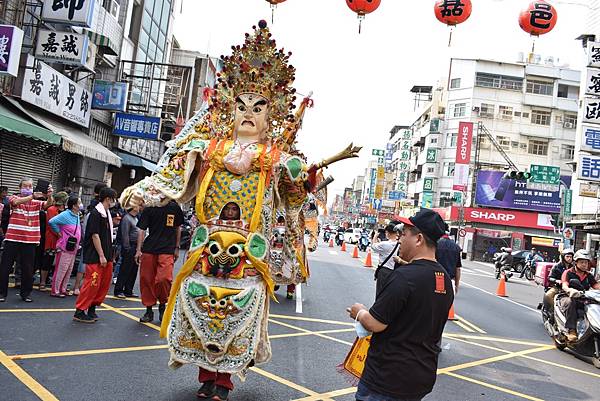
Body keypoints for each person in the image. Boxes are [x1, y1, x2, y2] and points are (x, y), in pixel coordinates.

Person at [119, 20, 358, 401]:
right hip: (205, 248)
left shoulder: (278, 158)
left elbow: (296, 195)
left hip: (248, 255)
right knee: (200, 306)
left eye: (258, 107)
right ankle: (205, 376)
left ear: (271, 114)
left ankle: (224, 382)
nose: (248, 113)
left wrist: (306, 178)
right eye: (241, 105)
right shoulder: (205, 149)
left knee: (236, 313)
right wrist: (139, 194)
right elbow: (168, 178)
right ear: (229, 110)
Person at [347, 208, 453, 401]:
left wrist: (359, 312)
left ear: (419, 239)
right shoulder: (445, 280)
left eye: (403, 234)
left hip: (387, 378)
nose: (399, 240)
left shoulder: (404, 277)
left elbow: (375, 323)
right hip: (421, 378)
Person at [0, 178, 53, 302]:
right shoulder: (13, 198)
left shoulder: (36, 202)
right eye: (25, 186)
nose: (28, 188)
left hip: (30, 240)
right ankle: (2, 293)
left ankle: (26, 294)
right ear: (20, 187)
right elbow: (15, 202)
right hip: (13, 238)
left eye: (30, 186)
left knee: (28, 268)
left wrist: (49, 196)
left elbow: (48, 204)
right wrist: (32, 196)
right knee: (5, 267)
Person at [73, 187, 118, 323]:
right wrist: (101, 255)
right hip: (96, 256)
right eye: (113, 199)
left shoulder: (107, 213)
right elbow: (95, 235)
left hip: (107, 254)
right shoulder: (96, 213)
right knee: (92, 283)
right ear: (107, 199)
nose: (114, 202)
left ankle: (92, 308)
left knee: (103, 284)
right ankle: (80, 310)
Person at [135, 200, 184, 322]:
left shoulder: (174, 207)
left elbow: (178, 227)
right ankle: (149, 310)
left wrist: (177, 247)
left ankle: (163, 305)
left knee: (164, 279)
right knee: (146, 279)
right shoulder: (150, 207)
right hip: (149, 249)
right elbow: (141, 229)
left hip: (167, 249)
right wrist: (138, 249)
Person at [559, 249, 600, 342]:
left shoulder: (588, 275)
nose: (585, 265)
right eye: (582, 262)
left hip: (583, 298)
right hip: (567, 297)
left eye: (586, 262)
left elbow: (596, 286)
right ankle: (571, 330)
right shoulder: (568, 272)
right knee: (570, 302)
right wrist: (570, 290)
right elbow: (564, 285)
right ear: (576, 262)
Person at [48, 196, 83, 297]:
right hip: (65, 246)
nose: (80, 204)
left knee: (68, 269)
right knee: (61, 269)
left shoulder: (76, 215)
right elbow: (52, 222)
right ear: (74, 205)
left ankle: (63, 289)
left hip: (73, 247)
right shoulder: (65, 214)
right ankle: (56, 290)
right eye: (79, 202)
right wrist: (59, 233)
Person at [39, 191, 69, 291]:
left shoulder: (65, 210)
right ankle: (42, 281)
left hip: (62, 238)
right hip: (52, 238)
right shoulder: (51, 209)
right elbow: (51, 225)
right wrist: (60, 234)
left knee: (58, 261)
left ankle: (54, 281)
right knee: (48, 259)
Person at [114, 206, 140, 298]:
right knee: (125, 269)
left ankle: (129, 289)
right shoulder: (127, 218)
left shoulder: (136, 218)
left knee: (133, 269)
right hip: (129, 246)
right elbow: (125, 234)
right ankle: (119, 289)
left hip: (136, 246)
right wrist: (127, 247)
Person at [371, 222, 399, 296]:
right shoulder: (399, 244)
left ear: (387, 233)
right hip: (395, 272)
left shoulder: (385, 244)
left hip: (384, 272)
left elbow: (373, 246)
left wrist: (375, 236)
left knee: (380, 293)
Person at [542, 248, 573, 314]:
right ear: (563, 257)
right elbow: (550, 277)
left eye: (571, 257)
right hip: (558, 287)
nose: (569, 258)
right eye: (567, 256)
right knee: (548, 295)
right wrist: (557, 280)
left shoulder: (573, 267)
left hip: (570, 288)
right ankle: (552, 311)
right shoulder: (557, 266)